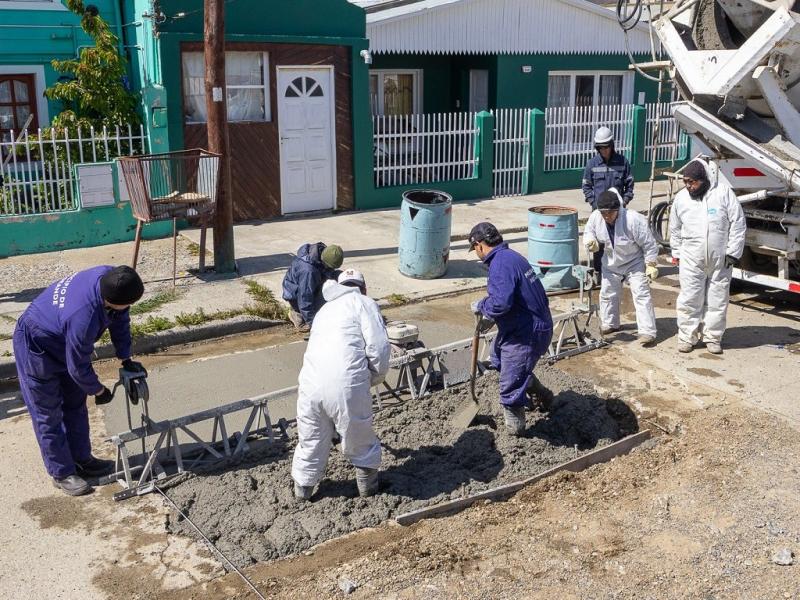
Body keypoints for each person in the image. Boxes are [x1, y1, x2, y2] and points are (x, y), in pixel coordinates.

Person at [13, 266, 146, 496]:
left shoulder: (113, 278)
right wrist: (98, 390)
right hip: (36, 343)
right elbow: (77, 366)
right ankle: (62, 472)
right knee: (48, 412)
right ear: (110, 300)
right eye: (125, 304)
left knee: (75, 403)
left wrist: (126, 358)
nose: (127, 308)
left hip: (60, 333)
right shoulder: (83, 317)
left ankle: (82, 460)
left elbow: (121, 319)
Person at [291, 268, 390, 501]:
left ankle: (302, 495)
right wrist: (375, 376)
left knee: (311, 440)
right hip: (346, 383)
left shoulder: (324, 310)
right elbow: (378, 347)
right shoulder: (364, 303)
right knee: (359, 438)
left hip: (310, 385)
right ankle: (369, 493)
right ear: (362, 288)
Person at [469, 222, 554, 436]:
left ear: (479, 245)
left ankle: (516, 433)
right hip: (523, 325)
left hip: (528, 332)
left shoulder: (500, 265)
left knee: (510, 385)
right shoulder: (512, 257)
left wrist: (482, 306)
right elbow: (512, 298)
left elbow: (500, 303)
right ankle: (540, 393)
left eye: (475, 250)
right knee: (497, 357)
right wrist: (491, 315)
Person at [669, 159, 746, 354]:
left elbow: (738, 223)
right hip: (691, 259)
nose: (688, 186)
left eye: (692, 182)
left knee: (717, 300)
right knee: (689, 299)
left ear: (703, 180)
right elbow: (675, 228)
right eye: (685, 181)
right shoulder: (681, 198)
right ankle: (687, 337)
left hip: (720, 260)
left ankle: (713, 337)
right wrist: (676, 252)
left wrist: (733, 253)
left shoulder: (723, 193)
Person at [584, 188, 660, 346]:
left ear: (617, 209)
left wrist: (651, 263)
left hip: (634, 261)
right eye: (603, 213)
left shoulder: (633, 219)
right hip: (611, 262)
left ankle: (647, 331)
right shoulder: (596, 217)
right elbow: (589, 231)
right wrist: (591, 242)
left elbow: (649, 244)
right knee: (607, 293)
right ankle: (610, 323)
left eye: (609, 213)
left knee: (641, 294)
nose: (606, 217)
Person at [582, 126, 635, 280]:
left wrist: (623, 203)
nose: (604, 150)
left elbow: (629, 186)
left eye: (606, 147)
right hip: (599, 212)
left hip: (617, 212)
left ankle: (620, 271)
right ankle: (599, 272)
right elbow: (586, 186)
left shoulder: (622, 162)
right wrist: (593, 204)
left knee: (619, 241)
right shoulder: (592, 164)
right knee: (599, 243)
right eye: (600, 147)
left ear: (612, 145)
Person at [281, 242, 344, 330]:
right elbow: (305, 297)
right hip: (296, 296)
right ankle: (297, 313)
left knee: (342, 277)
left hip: (310, 283)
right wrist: (313, 323)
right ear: (324, 261)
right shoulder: (308, 271)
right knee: (326, 299)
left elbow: (329, 272)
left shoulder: (321, 253)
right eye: (330, 266)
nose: (332, 269)